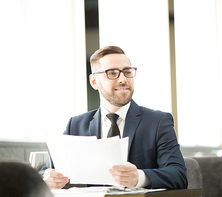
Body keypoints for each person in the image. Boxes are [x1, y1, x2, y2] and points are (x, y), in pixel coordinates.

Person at [45, 45, 188, 189]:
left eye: (127, 72)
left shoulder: (158, 122)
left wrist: (139, 177)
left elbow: (178, 175)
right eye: (112, 73)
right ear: (94, 81)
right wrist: (49, 179)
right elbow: (47, 170)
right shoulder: (76, 125)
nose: (123, 79)